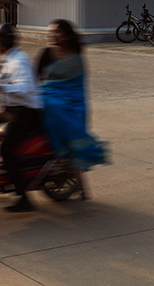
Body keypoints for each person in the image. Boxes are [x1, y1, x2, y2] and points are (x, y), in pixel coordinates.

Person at [0, 24, 43, 214]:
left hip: (28, 112)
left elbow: (25, 88)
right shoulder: (7, 58)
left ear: (4, 41)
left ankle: (24, 198)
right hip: (11, 110)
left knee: (6, 149)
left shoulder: (20, 60)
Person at [36, 20, 105, 197]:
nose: (53, 35)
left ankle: (81, 184)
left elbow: (80, 87)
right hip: (50, 97)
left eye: (57, 32)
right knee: (50, 106)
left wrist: (84, 111)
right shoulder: (46, 54)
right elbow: (33, 78)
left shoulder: (77, 57)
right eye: (51, 32)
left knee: (74, 137)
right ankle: (79, 184)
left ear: (66, 35)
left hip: (73, 103)